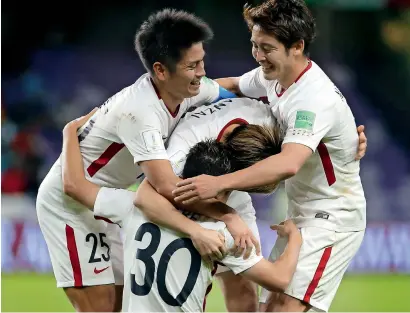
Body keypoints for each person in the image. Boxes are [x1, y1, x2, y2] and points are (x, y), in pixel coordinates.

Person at [36, 8, 255, 312]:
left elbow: (229, 86)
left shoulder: (184, 87)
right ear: (161, 70)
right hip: (70, 202)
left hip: (105, 199)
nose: (201, 72)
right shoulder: (140, 111)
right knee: (101, 307)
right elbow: (167, 186)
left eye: (202, 61)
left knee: (125, 302)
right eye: (192, 65)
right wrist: (228, 215)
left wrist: (272, 86)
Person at [173, 1, 367, 312]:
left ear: (297, 47)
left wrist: (219, 183)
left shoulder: (312, 100)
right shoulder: (274, 76)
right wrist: (176, 98)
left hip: (332, 218)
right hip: (300, 213)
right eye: (254, 45)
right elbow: (234, 85)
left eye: (267, 48)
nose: (259, 56)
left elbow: (288, 163)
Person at [61, 114, 303, 312]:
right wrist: (294, 237)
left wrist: (70, 132)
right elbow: (279, 279)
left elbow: (74, 186)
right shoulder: (220, 237)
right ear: (217, 192)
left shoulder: (133, 207)